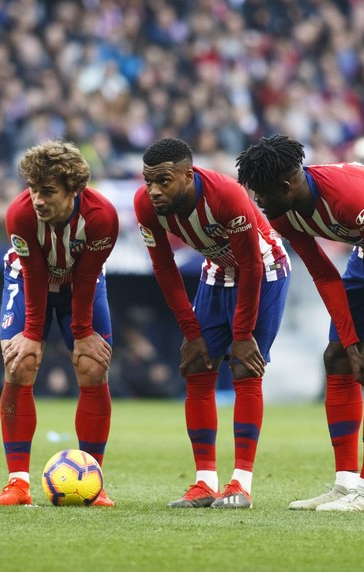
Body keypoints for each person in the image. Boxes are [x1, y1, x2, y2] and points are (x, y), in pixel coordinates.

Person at [236, 134, 364, 512]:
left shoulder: (346, 198)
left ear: (285, 186)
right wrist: (349, 343)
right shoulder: (281, 212)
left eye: (260, 193)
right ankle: (345, 484)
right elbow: (323, 274)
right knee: (335, 357)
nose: (257, 202)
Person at [135, 137, 291, 509]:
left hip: (264, 270)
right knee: (197, 370)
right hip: (218, 271)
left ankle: (241, 484)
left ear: (188, 175)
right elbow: (164, 267)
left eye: (163, 181)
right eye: (148, 182)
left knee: (246, 370)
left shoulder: (227, 196)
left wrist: (241, 336)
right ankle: (204, 483)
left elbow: (252, 265)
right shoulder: (146, 206)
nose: (153, 191)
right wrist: (190, 332)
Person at [0, 140, 118, 507]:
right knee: (20, 364)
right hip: (28, 279)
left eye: (48, 192)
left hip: (82, 283)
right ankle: (17, 483)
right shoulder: (19, 214)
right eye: (33, 190)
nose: (37, 200)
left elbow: (88, 274)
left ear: (74, 191)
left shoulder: (102, 216)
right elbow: (32, 273)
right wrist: (31, 335)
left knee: (93, 367)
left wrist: (81, 334)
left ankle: (93, 482)